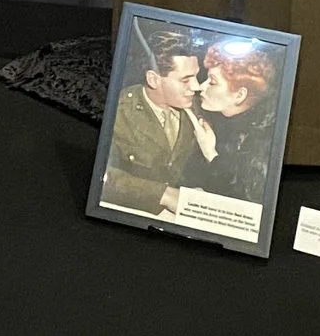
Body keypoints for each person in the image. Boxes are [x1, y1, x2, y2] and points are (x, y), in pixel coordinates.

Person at [100, 27, 202, 217]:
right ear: (153, 80)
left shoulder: (194, 109)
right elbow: (103, 175)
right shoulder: (120, 111)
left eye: (196, 76)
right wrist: (164, 194)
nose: (196, 87)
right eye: (186, 80)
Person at [187, 38, 280, 202]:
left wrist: (209, 152)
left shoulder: (265, 140)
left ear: (240, 95)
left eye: (212, 82)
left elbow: (243, 202)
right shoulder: (226, 123)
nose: (201, 86)